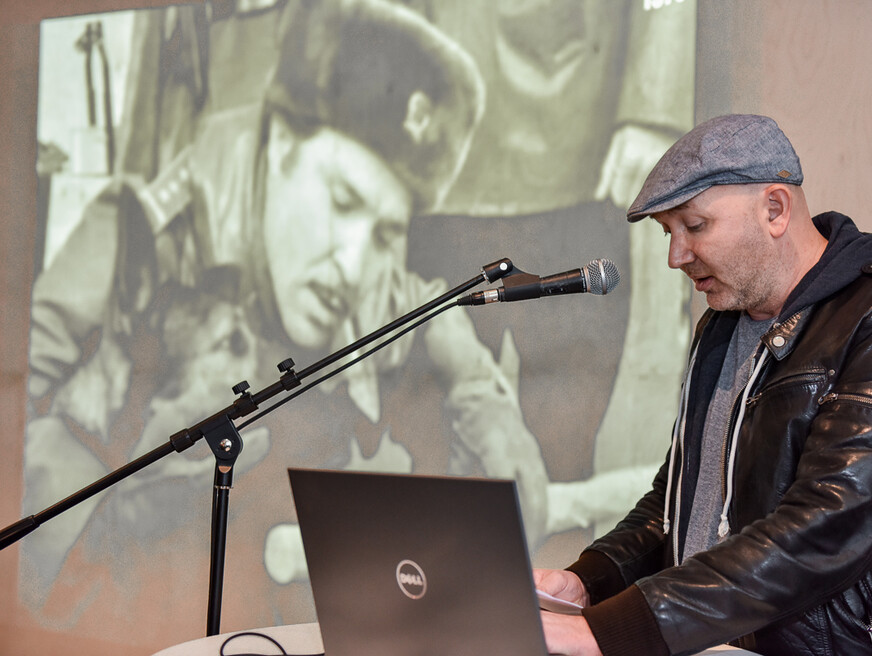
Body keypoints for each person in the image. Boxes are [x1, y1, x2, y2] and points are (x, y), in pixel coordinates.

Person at [21, 0, 548, 640]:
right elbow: (21, 443)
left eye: (384, 232)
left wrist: (465, 372)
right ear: (278, 147)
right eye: (342, 200)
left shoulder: (396, 295)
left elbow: (525, 511)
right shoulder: (137, 238)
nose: (354, 262)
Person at [535, 114, 872, 656]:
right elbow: (679, 499)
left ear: (774, 209)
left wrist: (619, 630)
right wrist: (589, 580)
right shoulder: (723, 325)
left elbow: (826, 526)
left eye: (694, 227)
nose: (676, 257)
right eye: (667, 234)